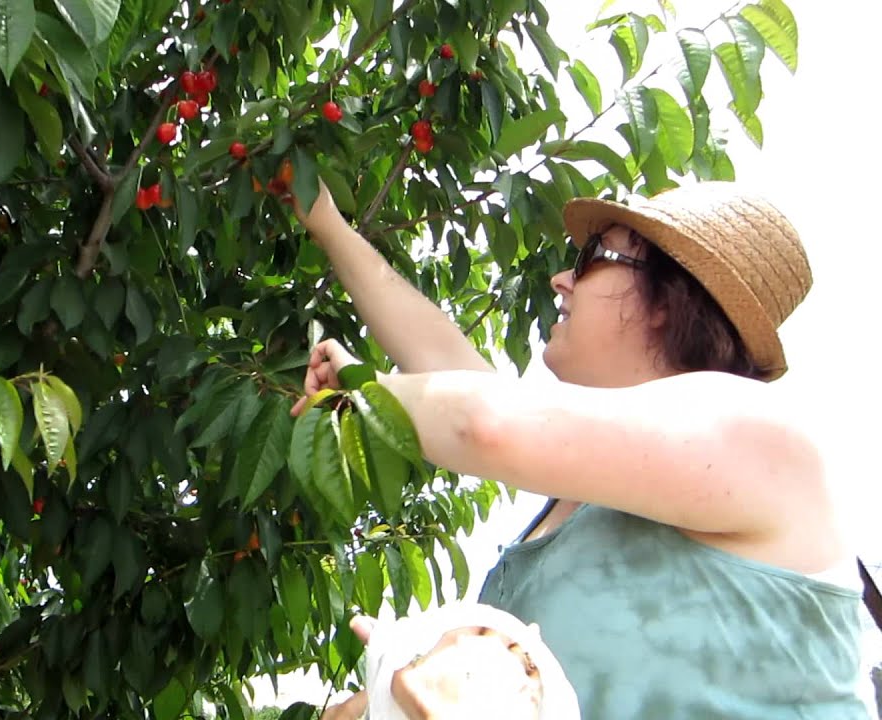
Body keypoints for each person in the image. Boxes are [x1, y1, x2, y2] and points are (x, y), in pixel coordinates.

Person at [292, 180, 871, 718]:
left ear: (669, 298)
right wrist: (325, 222)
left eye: (594, 257)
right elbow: (455, 375)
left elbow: (485, 421)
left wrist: (366, 388)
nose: (560, 281)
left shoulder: (761, 434)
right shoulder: (591, 502)